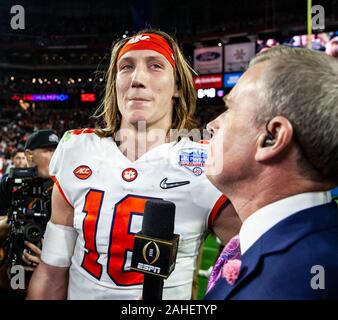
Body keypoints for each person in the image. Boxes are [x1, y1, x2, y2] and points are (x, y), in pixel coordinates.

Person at [27, 29, 241, 300]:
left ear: (177, 86)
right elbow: (51, 272)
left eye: (155, 66)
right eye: (126, 67)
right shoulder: (76, 151)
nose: (137, 78)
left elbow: (258, 263)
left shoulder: (207, 163)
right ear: (114, 82)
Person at [204, 45, 338, 300]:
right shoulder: (312, 247)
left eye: (230, 109)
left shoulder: (288, 285)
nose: (212, 125)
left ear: (272, 138)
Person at [0, 129, 59, 299]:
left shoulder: (66, 186)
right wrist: (11, 225)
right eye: (48, 151)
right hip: (14, 264)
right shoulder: (10, 183)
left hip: (55, 273)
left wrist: (53, 261)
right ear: (29, 155)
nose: (55, 156)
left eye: (57, 150)